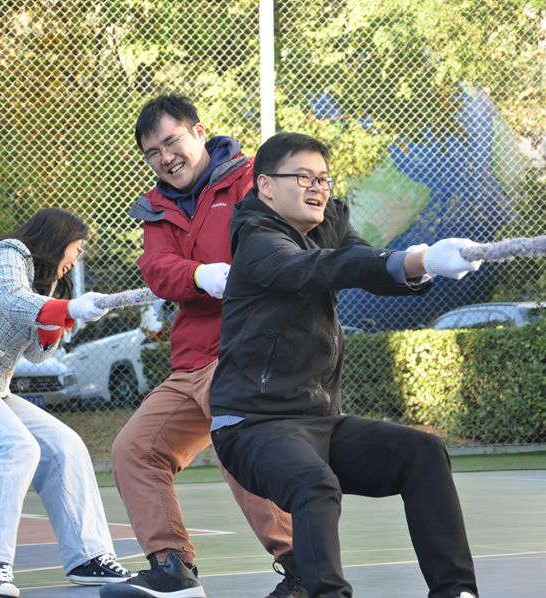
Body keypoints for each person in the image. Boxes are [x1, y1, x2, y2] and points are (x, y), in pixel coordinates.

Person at [210, 132, 479, 598]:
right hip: (252, 426)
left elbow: (364, 263)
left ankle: (456, 592)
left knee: (422, 452)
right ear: (266, 186)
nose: (317, 188)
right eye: (303, 177)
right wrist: (416, 257)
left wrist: (425, 264)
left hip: (320, 422)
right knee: (314, 484)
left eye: (323, 179)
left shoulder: (331, 221)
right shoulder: (257, 238)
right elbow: (318, 268)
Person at [104, 95, 298, 598]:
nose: (165, 158)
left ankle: (305, 566)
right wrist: (200, 275)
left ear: (199, 133)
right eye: (152, 152)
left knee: (235, 439)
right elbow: (157, 269)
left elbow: (280, 241)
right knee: (135, 450)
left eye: (172, 142)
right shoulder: (156, 209)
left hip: (246, 347)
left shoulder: (252, 179)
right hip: (192, 359)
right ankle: (173, 568)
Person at [0, 208, 131, 598]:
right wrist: (70, 308)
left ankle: (88, 557)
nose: (76, 259)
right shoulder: (8, 252)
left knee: (65, 446)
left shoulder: (40, 283)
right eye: (77, 248)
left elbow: (35, 352)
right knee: (15, 447)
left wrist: (63, 317)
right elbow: (14, 302)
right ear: (58, 239)